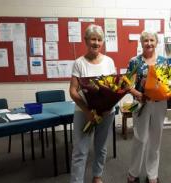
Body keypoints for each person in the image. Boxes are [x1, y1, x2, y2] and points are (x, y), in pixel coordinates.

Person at [69, 24, 116, 183]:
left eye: (99, 39)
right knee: (80, 150)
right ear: (86, 41)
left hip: (106, 113)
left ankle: (97, 176)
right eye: (92, 39)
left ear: (102, 41)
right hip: (84, 113)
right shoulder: (79, 63)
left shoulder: (109, 61)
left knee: (101, 147)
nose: (96, 43)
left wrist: (109, 105)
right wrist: (87, 111)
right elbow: (73, 91)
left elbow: (114, 88)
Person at [126, 31, 167, 183]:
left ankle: (152, 174)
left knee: (155, 140)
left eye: (152, 40)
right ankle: (133, 172)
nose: (149, 43)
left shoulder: (163, 61)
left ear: (156, 42)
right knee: (140, 139)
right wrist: (139, 94)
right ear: (141, 43)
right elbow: (127, 85)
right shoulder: (134, 62)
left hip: (159, 104)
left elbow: (168, 84)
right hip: (140, 103)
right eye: (146, 40)